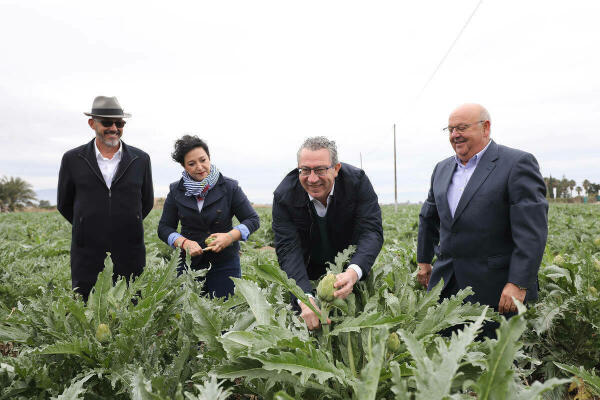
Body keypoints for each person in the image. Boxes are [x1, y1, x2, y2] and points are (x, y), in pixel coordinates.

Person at [417, 103, 548, 336]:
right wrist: (424, 260)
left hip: (496, 291)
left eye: (461, 128)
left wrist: (518, 283)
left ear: (485, 128)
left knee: (495, 366)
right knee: (446, 362)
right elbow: (428, 217)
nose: (455, 135)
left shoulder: (517, 164)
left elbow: (531, 232)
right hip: (446, 287)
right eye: (450, 129)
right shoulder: (441, 169)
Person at [272, 136, 383, 330]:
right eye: (305, 170)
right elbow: (288, 249)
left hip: (349, 270)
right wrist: (303, 297)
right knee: (309, 331)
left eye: (320, 170)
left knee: (354, 328)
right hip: (306, 272)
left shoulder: (357, 183)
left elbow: (371, 231)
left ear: (336, 169)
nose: (312, 178)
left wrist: (353, 272)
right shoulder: (284, 195)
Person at [57, 96, 154, 301]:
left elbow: (146, 202)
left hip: (130, 249)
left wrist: (126, 222)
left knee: (131, 306)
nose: (114, 128)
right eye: (107, 123)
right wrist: (87, 225)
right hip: (87, 252)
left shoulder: (141, 159)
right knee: (88, 306)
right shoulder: (72, 159)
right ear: (92, 123)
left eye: (119, 123)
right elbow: (64, 203)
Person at [157, 135, 260, 298]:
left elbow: (253, 220)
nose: (200, 167)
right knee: (188, 315)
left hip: (225, 264)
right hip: (188, 265)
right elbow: (164, 228)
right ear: (184, 166)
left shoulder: (229, 187)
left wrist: (229, 237)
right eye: (192, 164)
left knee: (223, 315)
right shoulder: (176, 190)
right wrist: (183, 242)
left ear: (209, 158)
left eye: (203, 160)